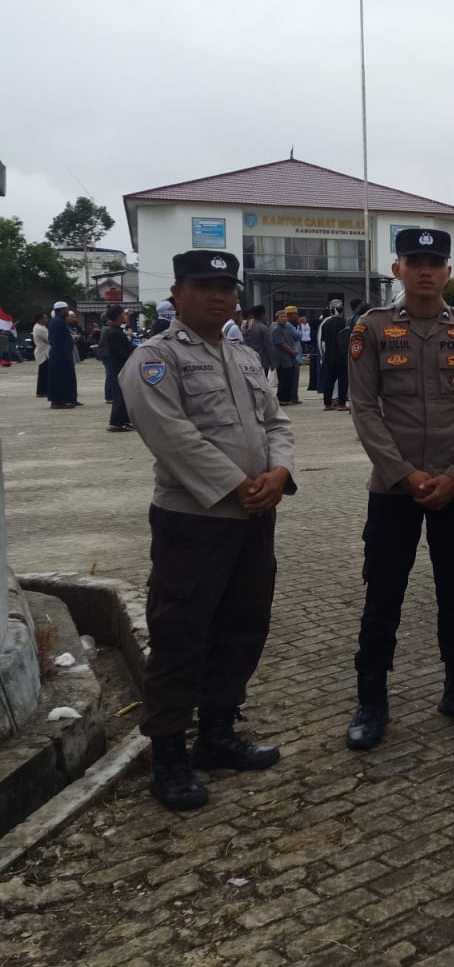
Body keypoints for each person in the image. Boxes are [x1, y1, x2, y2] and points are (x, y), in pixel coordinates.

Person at [121, 250, 295, 810]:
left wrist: (280, 472)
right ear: (177, 292)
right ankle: (168, 752)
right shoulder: (155, 358)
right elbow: (168, 433)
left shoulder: (243, 355)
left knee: (243, 625)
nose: (219, 297)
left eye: (227, 287)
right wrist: (235, 485)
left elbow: (277, 421)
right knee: (180, 633)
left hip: (254, 518)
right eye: (204, 286)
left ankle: (217, 733)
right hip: (194, 520)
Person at [344, 228, 454, 751]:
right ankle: (372, 701)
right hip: (393, 489)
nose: (426, 270)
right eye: (415, 261)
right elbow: (364, 409)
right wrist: (402, 473)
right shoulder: (372, 328)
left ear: (449, 273)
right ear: (398, 270)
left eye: (435, 262)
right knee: (383, 593)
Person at [100, 304, 136, 432]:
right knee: (120, 394)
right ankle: (116, 422)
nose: (125, 316)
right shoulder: (114, 332)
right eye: (123, 314)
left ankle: (125, 420)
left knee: (125, 394)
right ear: (117, 317)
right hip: (118, 366)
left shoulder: (116, 330)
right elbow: (123, 352)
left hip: (120, 365)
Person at [46, 301, 80, 409]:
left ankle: (63, 400)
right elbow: (57, 341)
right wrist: (65, 354)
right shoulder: (58, 322)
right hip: (59, 355)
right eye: (66, 309)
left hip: (61, 354)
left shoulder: (59, 321)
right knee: (58, 379)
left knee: (63, 378)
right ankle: (57, 402)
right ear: (60, 310)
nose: (67, 311)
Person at [318, 300, 348, 410]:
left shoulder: (326, 323)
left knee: (329, 380)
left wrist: (323, 356)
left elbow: (322, 342)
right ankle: (341, 404)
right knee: (343, 381)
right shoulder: (344, 322)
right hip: (342, 357)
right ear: (342, 311)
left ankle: (327, 404)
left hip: (329, 356)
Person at [272, 310, 300, 404]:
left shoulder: (286, 328)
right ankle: (281, 398)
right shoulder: (276, 329)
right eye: (281, 317)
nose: (284, 319)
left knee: (288, 378)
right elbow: (282, 344)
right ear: (277, 319)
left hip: (289, 358)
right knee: (283, 379)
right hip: (282, 358)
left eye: (285, 317)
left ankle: (287, 398)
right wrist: (292, 351)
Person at [243, 305, 274, 374]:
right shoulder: (263, 328)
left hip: (248, 360)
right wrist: (273, 363)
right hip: (262, 362)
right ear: (263, 315)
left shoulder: (247, 326)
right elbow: (269, 347)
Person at [33, 313, 51, 398]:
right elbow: (49, 339)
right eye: (45, 318)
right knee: (43, 373)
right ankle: (41, 391)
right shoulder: (39, 328)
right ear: (40, 319)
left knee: (46, 372)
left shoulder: (42, 327)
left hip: (45, 352)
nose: (47, 320)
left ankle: (44, 390)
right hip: (42, 352)